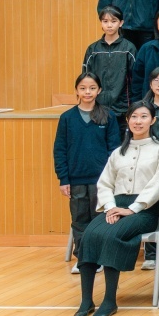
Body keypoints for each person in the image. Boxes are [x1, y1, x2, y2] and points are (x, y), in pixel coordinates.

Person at [73, 100, 159, 316]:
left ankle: (109, 301)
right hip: (116, 206)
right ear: (127, 120)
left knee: (111, 235)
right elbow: (104, 183)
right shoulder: (118, 152)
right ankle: (86, 300)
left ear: (153, 120)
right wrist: (111, 208)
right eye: (134, 117)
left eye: (144, 116)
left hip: (145, 211)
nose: (138, 121)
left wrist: (132, 208)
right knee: (89, 235)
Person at [54, 72, 121, 271]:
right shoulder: (67, 118)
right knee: (79, 220)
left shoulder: (108, 116)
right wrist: (63, 179)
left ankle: (98, 257)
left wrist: (111, 179)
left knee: (99, 219)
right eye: (83, 88)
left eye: (92, 88)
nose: (87, 92)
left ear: (99, 90)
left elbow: (114, 150)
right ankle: (83, 259)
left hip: (101, 180)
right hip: (75, 179)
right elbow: (60, 150)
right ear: (76, 90)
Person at [82, 7, 138, 125]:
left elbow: (135, 79)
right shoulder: (93, 49)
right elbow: (86, 79)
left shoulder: (129, 48)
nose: (109, 25)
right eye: (105, 21)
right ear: (101, 23)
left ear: (121, 23)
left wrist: (133, 105)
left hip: (123, 108)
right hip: (97, 107)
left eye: (113, 21)